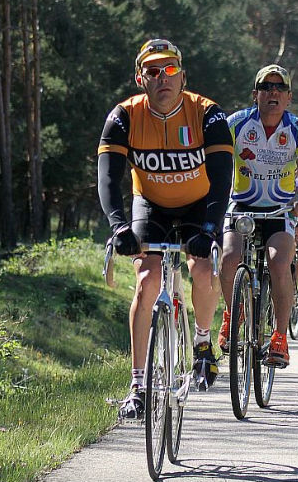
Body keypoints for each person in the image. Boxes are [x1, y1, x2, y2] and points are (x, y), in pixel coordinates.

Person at [98, 39, 232, 419]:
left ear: (183, 76)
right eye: (153, 71)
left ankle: (203, 344)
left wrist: (209, 227)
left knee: (203, 268)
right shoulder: (124, 116)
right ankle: (138, 385)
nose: (163, 78)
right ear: (141, 79)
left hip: (198, 204)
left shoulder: (208, 114)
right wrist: (119, 226)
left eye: (170, 69)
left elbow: (222, 179)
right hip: (151, 204)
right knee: (146, 281)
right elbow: (108, 180)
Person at [217, 64, 298, 368]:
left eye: (279, 88)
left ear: (289, 97)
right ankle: (232, 316)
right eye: (266, 86)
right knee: (230, 257)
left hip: (280, 210)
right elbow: (216, 166)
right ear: (255, 94)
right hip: (241, 205)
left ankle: (280, 338)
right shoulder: (235, 124)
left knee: (279, 261)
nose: (273, 92)